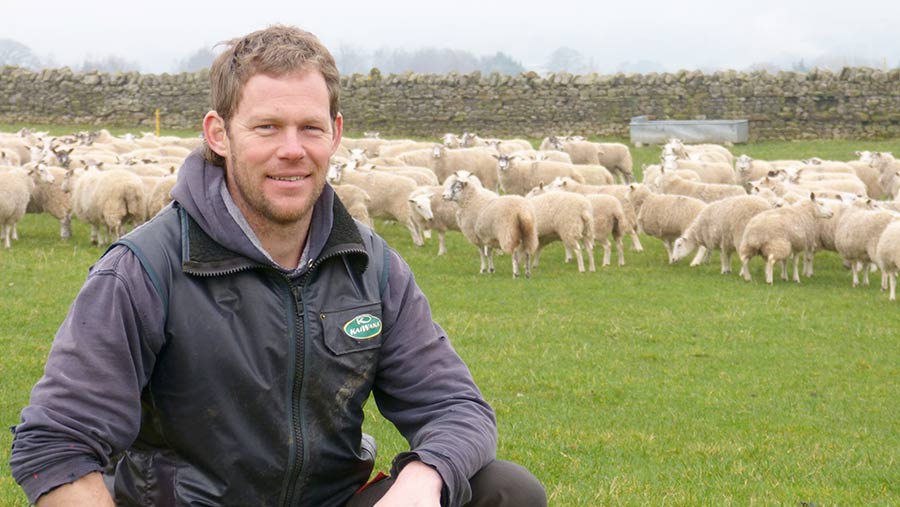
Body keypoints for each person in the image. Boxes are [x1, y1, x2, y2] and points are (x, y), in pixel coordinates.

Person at [9, 25, 546, 507]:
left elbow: (456, 406)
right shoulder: (144, 269)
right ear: (219, 134)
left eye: (309, 128)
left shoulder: (369, 265)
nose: (293, 150)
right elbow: (55, 442)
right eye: (267, 127)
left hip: (332, 499)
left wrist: (424, 478)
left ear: (335, 134)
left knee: (506, 491)